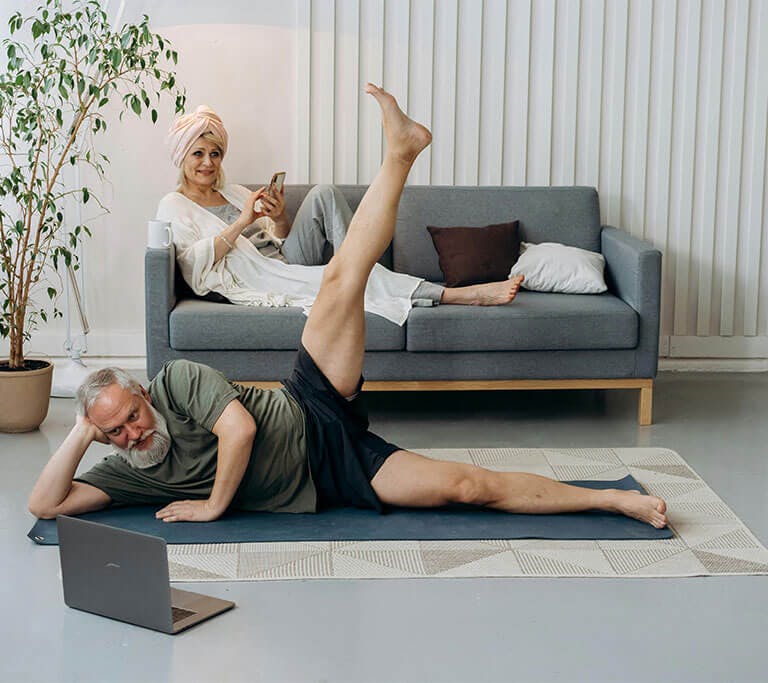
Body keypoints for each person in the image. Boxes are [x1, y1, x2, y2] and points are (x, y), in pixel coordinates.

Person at [29, 84, 668, 530]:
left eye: (131, 416)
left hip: (308, 404)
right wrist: (85, 429)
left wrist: (213, 505)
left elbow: (242, 430)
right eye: (117, 433)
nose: (133, 433)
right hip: (336, 472)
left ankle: (400, 151)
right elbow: (45, 504)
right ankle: (611, 503)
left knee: (342, 280)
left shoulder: (175, 383)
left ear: (143, 394)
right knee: (465, 487)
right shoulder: (132, 468)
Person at [157, 104, 525, 326]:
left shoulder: (235, 192)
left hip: (283, 260)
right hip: (261, 277)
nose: (208, 162)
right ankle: (464, 295)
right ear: (182, 157)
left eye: (215, 154)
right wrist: (243, 222)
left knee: (325, 193)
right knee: (355, 275)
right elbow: (192, 267)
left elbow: (279, 240)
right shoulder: (173, 205)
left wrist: (281, 217)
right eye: (198, 154)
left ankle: (360, 264)